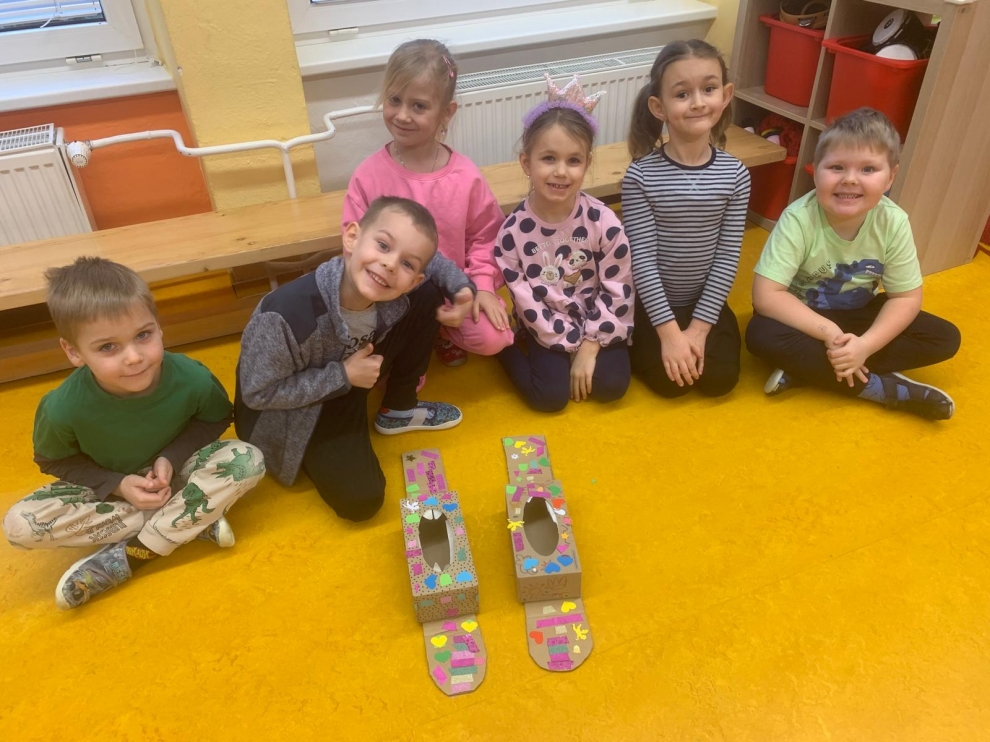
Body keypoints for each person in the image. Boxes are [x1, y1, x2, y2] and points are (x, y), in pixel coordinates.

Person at [1, 257, 264, 610]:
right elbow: (53, 460)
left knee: (247, 460)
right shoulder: (62, 407)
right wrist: (117, 484)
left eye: (143, 335)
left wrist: (171, 458)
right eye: (107, 347)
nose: (134, 357)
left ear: (159, 327)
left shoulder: (193, 377)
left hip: (178, 474)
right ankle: (190, 519)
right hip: (112, 490)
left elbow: (215, 419)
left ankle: (136, 554)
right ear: (73, 351)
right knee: (20, 526)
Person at [235, 197, 475, 522]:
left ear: (414, 278)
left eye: (407, 264)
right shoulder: (283, 316)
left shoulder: (393, 282)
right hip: (300, 409)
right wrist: (343, 376)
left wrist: (462, 288)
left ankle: (398, 409)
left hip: (355, 370)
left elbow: (430, 263)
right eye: (383, 246)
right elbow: (258, 394)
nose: (390, 264)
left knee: (430, 296)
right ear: (351, 238)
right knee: (362, 501)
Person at [746, 107, 961, 419]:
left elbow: (906, 298)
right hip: (801, 319)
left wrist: (866, 346)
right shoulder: (798, 219)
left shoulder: (894, 222)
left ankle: (808, 368)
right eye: (836, 167)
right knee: (760, 335)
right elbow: (766, 297)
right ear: (816, 170)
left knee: (944, 337)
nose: (849, 180)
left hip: (857, 317)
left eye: (868, 169)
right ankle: (880, 389)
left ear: (891, 177)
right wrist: (829, 333)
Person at [343, 39, 513, 368]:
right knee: (364, 357)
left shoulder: (466, 176)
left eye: (419, 106)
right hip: (388, 293)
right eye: (394, 100)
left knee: (494, 336)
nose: (402, 115)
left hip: (453, 292)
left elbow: (487, 236)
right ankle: (413, 348)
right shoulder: (367, 176)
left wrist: (482, 287)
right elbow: (354, 246)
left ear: (446, 112)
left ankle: (441, 332)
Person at [494, 74, 635, 413]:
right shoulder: (511, 234)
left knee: (612, 386)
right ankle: (503, 348)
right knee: (550, 398)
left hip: (596, 316)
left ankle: (585, 349)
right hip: (546, 323)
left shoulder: (604, 221)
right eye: (548, 158)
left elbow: (619, 286)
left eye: (573, 160)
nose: (561, 171)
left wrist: (590, 345)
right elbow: (528, 303)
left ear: (587, 164)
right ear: (526, 162)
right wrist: (566, 343)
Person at [622, 39, 751, 398]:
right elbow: (642, 262)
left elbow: (726, 258)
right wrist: (669, 334)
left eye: (708, 89)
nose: (697, 103)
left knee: (720, 380)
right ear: (658, 107)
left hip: (703, 301)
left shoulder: (736, 175)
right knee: (671, 385)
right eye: (682, 94)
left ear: (725, 95)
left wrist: (698, 330)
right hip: (653, 304)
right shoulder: (640, 177)